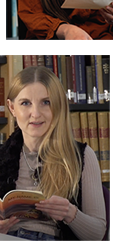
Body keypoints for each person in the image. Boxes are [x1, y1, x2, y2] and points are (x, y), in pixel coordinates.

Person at [0, 67, 106, 240]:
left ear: (58, 106)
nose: (36, 114)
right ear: (12, 108)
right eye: (25, 103)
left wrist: (71, 214)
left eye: (46, 102)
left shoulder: (83, 156)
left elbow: (97, 235)